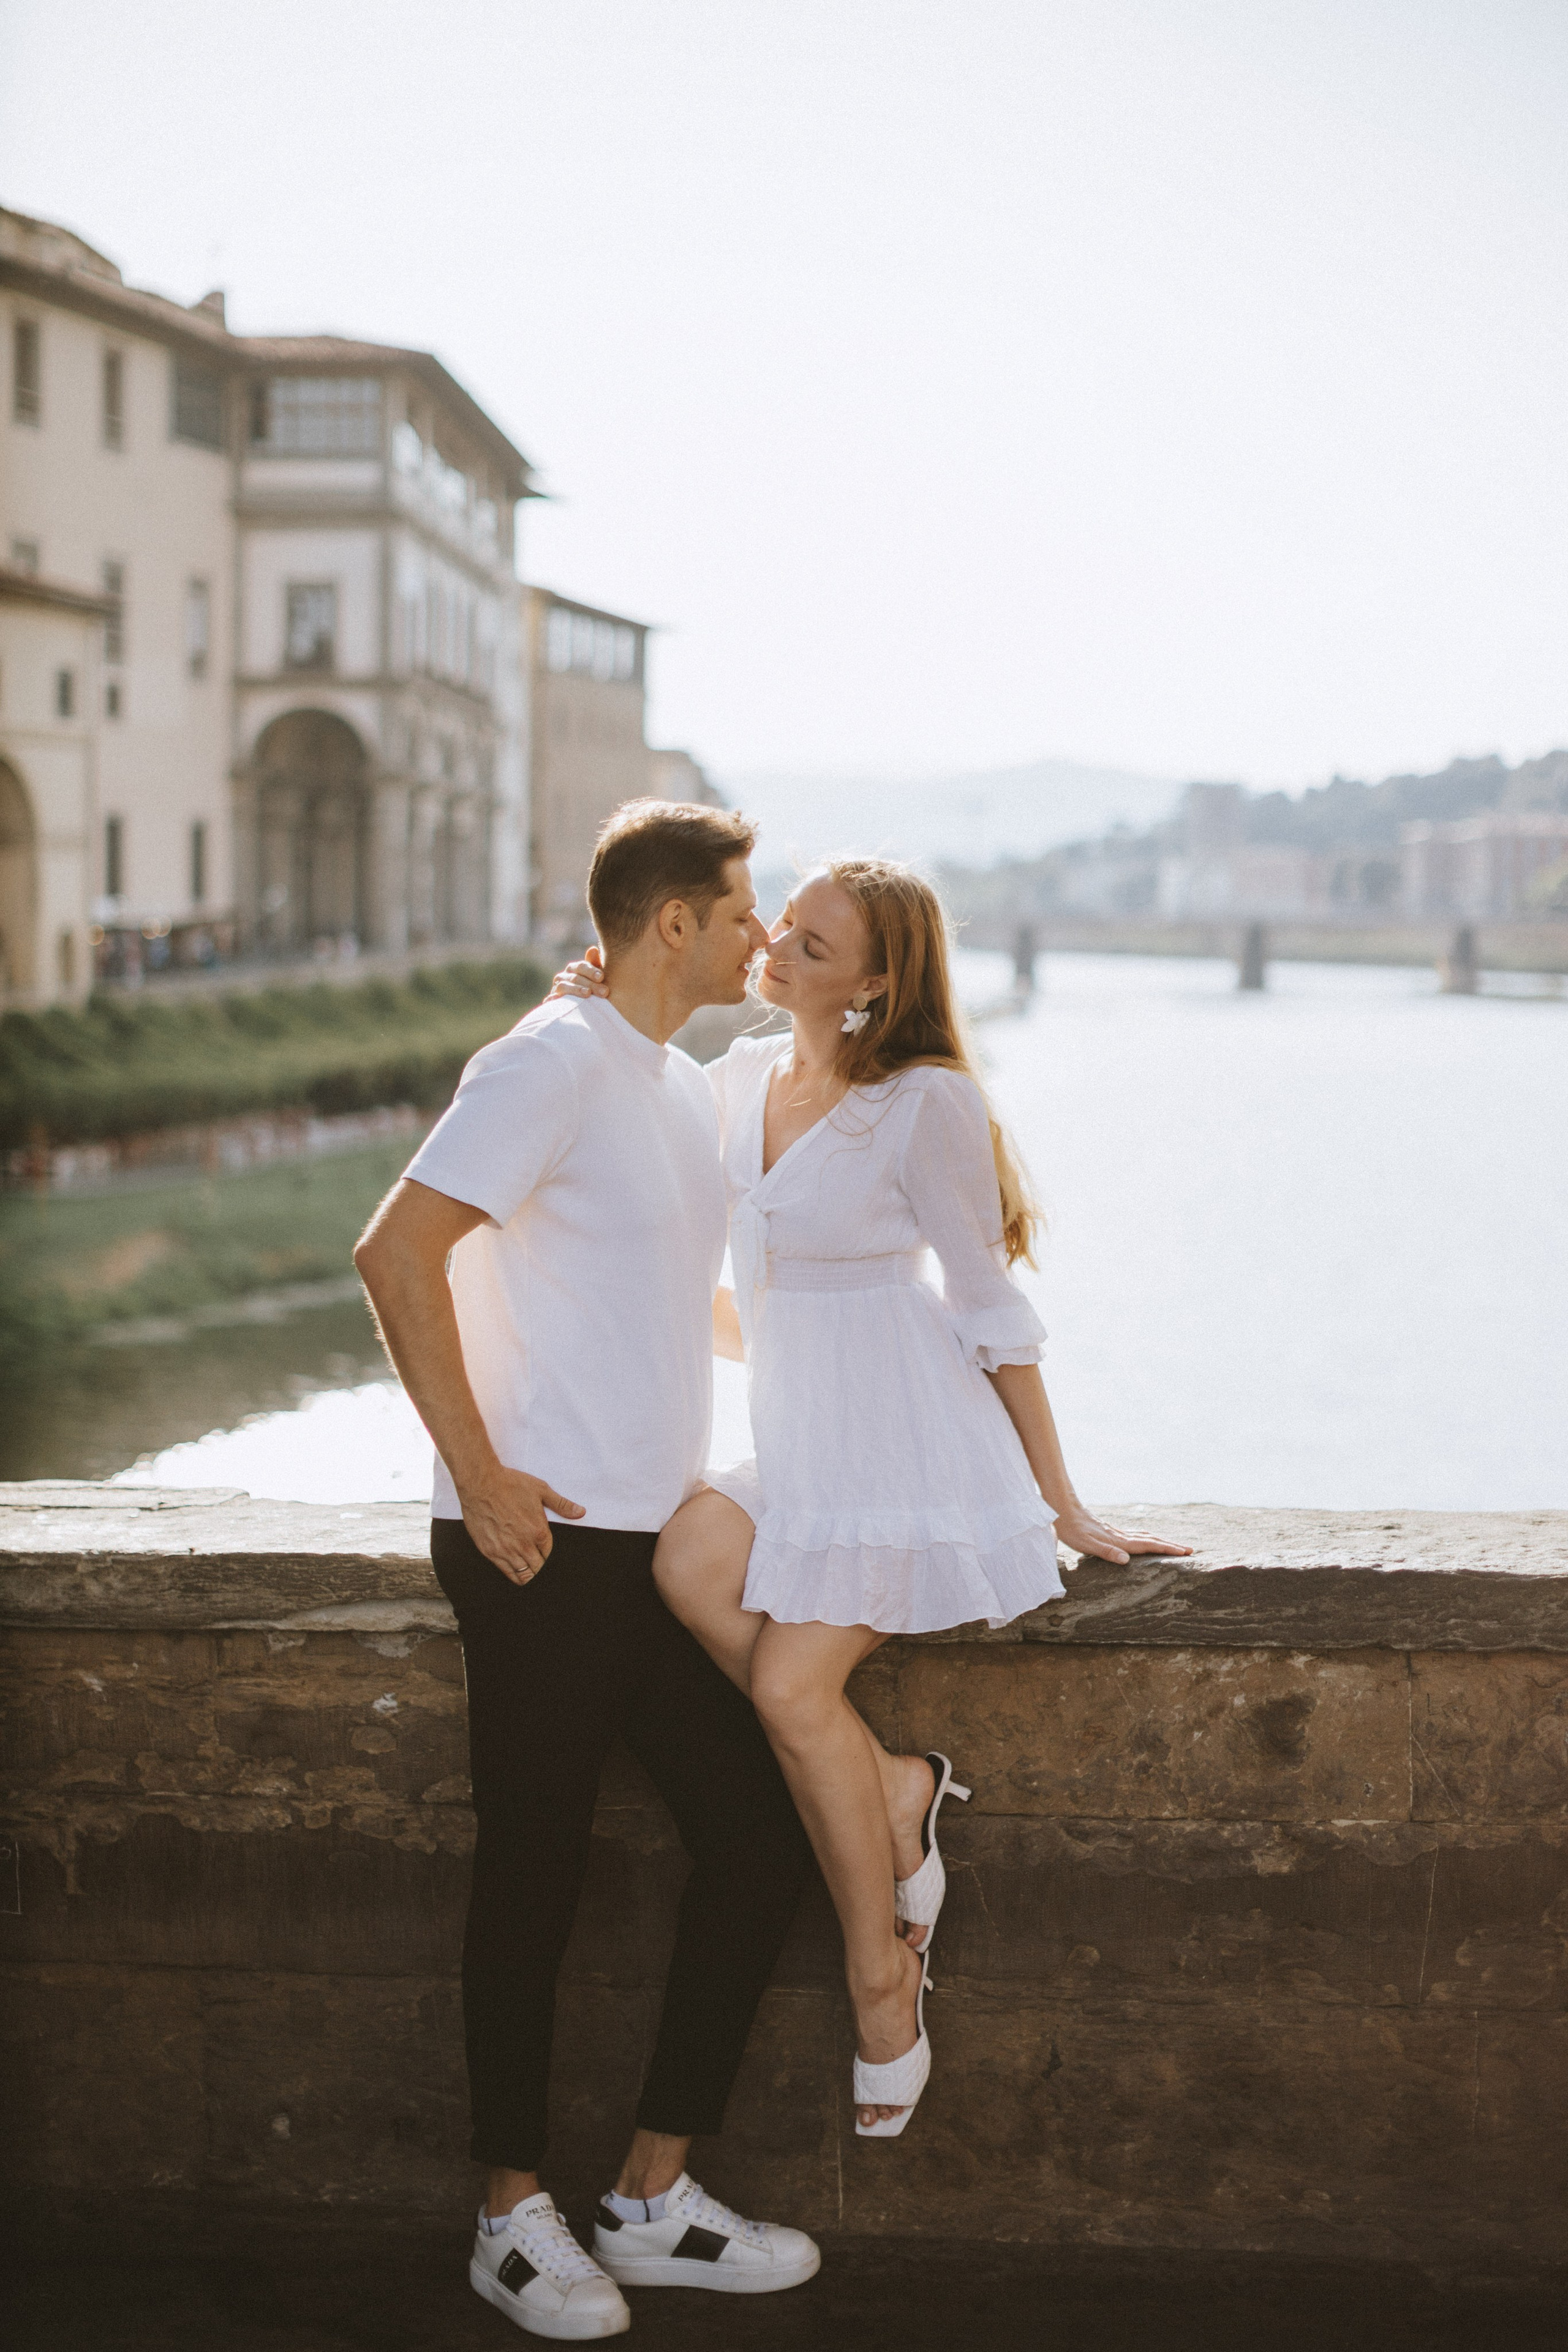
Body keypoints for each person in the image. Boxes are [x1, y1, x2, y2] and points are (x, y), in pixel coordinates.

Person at [553, 859, 1189, 2138]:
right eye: (779, 922)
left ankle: (877, 1972)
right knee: (683, 1561)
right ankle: (894, 1785)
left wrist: (1061, 1503)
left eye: (812, 939)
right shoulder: (735, 1086)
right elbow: (743, 1279)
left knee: (792, 1689)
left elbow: (988, 1312)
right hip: (800, 1439)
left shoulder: (925, 1104)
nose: (776, 943)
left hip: (905, 1444)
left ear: (874, 983)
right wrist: (594, 1000)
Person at [353, 801, 823, 2343]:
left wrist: (891, 1373)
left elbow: (673, 1297)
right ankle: (505, 2216)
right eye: (743, 906)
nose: (762, 933)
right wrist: (480, 1472)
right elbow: (395, 1250)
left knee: (753, 1850)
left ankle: (647, 2197)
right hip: (537, 1543)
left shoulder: (673, 1087)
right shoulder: (543, 1062)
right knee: (535, 1872)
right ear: (672, 921)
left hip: (653, 1543)